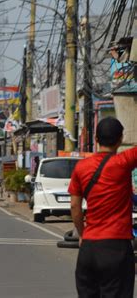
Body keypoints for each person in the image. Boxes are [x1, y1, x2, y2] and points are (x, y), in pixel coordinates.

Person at [69, 117, 137, 298]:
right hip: (116, 248)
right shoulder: (123, 162)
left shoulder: (80, 167)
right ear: (120, 139)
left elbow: (75, 206)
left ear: (96, 139)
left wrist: (82, 233)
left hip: (88, 249)